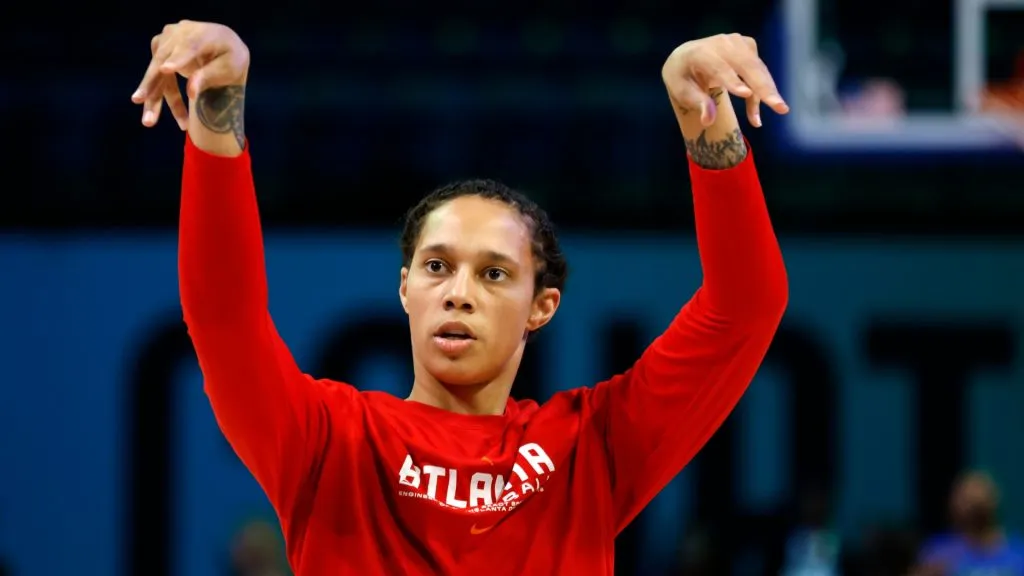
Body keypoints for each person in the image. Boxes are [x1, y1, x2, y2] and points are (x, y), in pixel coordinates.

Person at [132, 20, 789, 574]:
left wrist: (702, 120)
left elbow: (746, 305)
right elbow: (223, 316)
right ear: (405, 290)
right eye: (437, 267)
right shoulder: (328, 441)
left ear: (543, 307)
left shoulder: (592, 448)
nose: (459, 294)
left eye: (494, 273)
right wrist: (219, 107)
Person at [911, 471, 1024, 576]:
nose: (974, 505)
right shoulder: (938, 552)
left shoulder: (1018, 552)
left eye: (979, 500)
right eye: (965, 499)